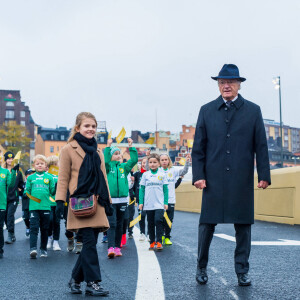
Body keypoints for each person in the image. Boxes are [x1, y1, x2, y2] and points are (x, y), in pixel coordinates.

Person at [192, 64, 271, 286]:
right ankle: (201, 266)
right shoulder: (206, 110)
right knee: (206, 225)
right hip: (213, 179)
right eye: (222, 83)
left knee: (243, 226)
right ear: (218, 85)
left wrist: (264, 173)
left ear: (239, 84)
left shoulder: (253, 110)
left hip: (241, 178)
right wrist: (198, 175)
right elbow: (198, 147)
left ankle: (242, 271)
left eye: (230, 82)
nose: (226, 86)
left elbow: (261, 145)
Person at [55, 112, 111, 296]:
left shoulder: (98, 150)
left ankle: (75, 279)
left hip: (97, 202)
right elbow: (63, 178)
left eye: (93, 126)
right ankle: (93, 283)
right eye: (87, 126)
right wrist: (59, 201)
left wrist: (108, 201)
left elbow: (103, 177)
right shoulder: (68, 149)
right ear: (78, 128)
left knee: (89, 244)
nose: (91, 129)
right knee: (88, 242)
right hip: (79, 202)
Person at [104, 138, 138, 258]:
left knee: (120, 224)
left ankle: (117, 247)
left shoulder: (124, 167)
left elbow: (134, 160)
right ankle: (110, 248)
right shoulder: (108, 167)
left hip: (123, 200)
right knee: (112, 223)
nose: (118, 156)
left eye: (119, 154)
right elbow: (105, 160)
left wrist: (131, 147)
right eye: (115, 154)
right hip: (111, 200)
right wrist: (108, 146)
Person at [25, 155, 56, 259]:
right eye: (37, 164)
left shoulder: (49, 177)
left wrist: (56, 186)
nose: (39, 165)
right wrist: (35, 200)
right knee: (34, 228)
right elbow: (27, 192)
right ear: (34, 165)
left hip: (46, 207)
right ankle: (33, 249)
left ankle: (43, 249)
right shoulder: (30, 178)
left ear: (45, 165)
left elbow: (52, 192)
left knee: (45, 229)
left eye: (42, 163)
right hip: (34, 208)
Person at [139, 153, 168, 251]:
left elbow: (165, 190)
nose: (152, 164)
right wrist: (141, 202)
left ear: (159, 163)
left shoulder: (162, 174)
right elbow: (142, 189)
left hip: (159, 204)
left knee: (158, 221)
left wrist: (166, 202)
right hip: (148, 204)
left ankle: (159, 241)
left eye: (155, 162)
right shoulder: (145, 175)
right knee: (150, 223)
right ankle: (152, 242)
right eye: (150, 162)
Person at [159, 153, 190, 245]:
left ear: (169, 160)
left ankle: (167, 237)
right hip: (159, 201)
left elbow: (183, 172)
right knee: (160, 219)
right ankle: (161, 235)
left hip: (170, 200)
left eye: (166, 159)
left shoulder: (173, 170)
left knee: (169, 219)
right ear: (159, 161)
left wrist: (187, 161)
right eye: (162, 160)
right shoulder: (157, 171)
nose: (164, 161)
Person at [3, 151, 24, 244]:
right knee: (5, 217)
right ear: (5, 160)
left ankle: (10, 235)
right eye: (8, 158)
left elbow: (21, 184)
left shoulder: (17, 172)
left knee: (10, 216)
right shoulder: (2, 171)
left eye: (12, 158)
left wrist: (20, 189)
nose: (10, 160)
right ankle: (12, 234)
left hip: (13, 198)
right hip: (3, 198)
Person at [0, 163, 16, 258]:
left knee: (0, 227)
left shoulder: (5, 172)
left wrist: (13, 171)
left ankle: (0, 249)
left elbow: (11, 184)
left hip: (1, 204)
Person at [46, 155, 61, 251]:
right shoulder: (46, 175)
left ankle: (56, 241)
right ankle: (49, 237)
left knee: (57, 222)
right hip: (48, 202)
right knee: (49, 220)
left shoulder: (60, 175)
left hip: (58, 202)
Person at [133, 157, 148, 241]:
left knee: (150, 218)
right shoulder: (137, 174)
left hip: (150, 200)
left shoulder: (150, 174)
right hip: (140, 200)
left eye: (146, 162)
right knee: (141, 217)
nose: (144, 164)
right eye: (143, 162)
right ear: (141, 164)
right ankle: (142, 233)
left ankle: (149, 234)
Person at [22, 168, 36, 238]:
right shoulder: (24, 184)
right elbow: (23, 193)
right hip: (25, 205)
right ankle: (28, 227)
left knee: (34, 219)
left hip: (34, 204)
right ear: (26, 176)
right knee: (25, 218)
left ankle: (33, 232)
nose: (31, 175)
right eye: (29, 174)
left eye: (33, 174)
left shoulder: (35, 183)